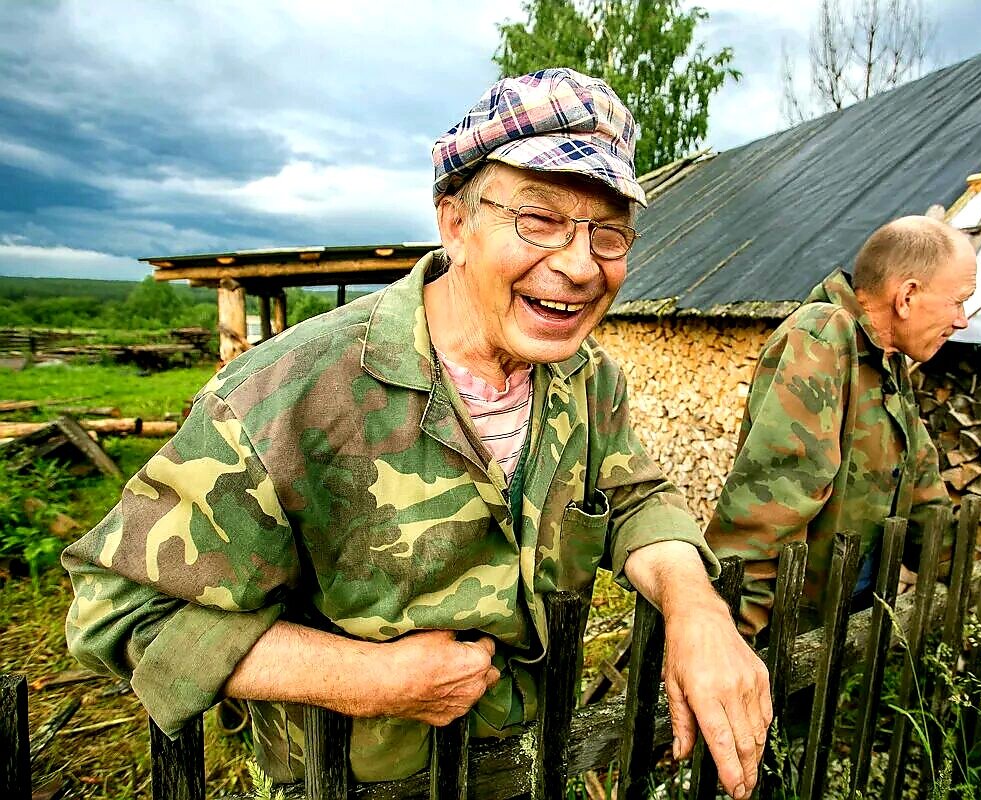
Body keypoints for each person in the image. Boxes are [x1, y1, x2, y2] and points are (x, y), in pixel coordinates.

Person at [62, 68, 769, 798]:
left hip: (531, 768)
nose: (580, 264)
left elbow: (632, 498)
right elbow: (118, 610)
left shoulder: (586, 379)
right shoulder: (287, 394)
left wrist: (695, 606)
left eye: (609, 233)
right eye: (539, 219)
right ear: (455, 224)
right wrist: (364, 679)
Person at [706, 216, 977, 642]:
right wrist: (734, 640)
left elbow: (920, 482)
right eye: (959, 301)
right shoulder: (823, 337)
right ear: (906, 296)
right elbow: (771, 503)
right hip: (789, 633)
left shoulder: (888, 363)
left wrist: (963, 577)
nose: (963, 320)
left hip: (841, 624)